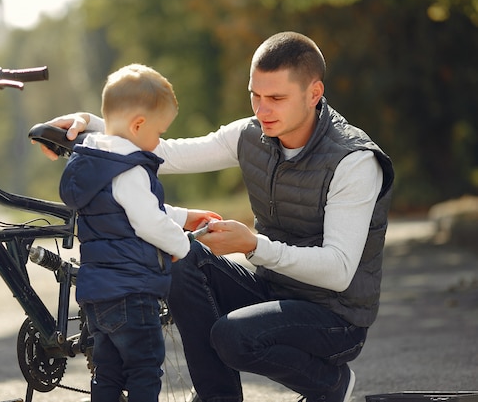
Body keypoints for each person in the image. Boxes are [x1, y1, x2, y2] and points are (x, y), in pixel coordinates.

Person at [38, 32, 394, 402]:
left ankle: (331, 384)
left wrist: (253, 245)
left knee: (232, 336)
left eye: (276, 98)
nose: (262, 110)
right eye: (255, 95)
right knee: (178, 259)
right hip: (273, 292)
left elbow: (338, 271)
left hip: (334, 318)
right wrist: (94, 125)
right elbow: (165, 152)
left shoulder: (354, 161)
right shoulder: (249, 134)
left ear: (314, 93)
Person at [57, 63, 220, 402]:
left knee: (108, 375)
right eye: (159, 132)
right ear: (138, 125)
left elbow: (128, 213)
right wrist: (183, 246)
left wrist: (185, 216)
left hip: (98, 297)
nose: (159, 141)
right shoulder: (129, 169)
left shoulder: (93, 164)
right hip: (133, 294)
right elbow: (148, 222)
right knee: (145, 371)